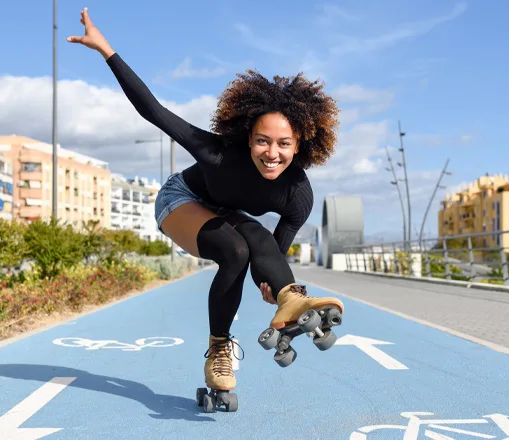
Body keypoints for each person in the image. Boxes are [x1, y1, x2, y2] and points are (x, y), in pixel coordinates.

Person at [67, 8, 345, 393]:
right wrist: (106, 50)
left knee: (257, 242)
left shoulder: (298, 196)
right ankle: (219, 350)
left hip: (221, 211)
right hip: (178, 200)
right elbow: (155, 111)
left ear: (299, 147)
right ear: (248, 138)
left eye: (284, 144)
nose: (271, 153)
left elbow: (271, 256)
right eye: (263, 141)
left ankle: (293, 302)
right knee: (234, 249)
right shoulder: (219, 154)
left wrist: (273, 286)